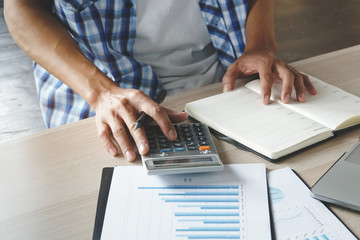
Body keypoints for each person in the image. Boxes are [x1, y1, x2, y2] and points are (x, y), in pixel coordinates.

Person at [4, 0, 317, 161]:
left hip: (222, 72)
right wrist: (101, 93)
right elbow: (22, 8)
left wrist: (260, 46)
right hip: (94, 81)